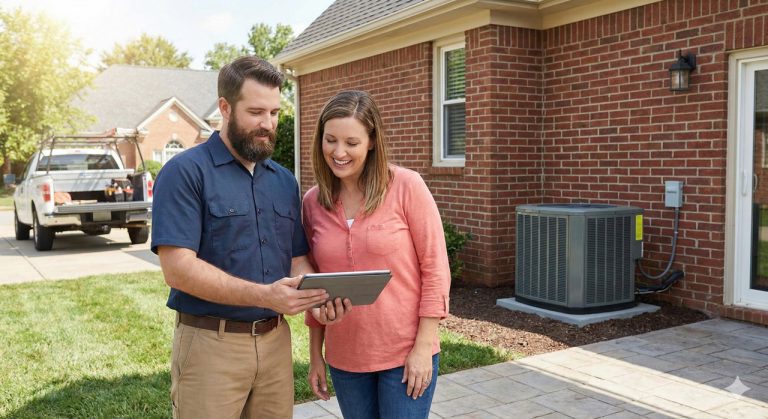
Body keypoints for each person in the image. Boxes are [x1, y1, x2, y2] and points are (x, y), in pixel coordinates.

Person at [151, 56, 346, 419]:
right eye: (256, 112)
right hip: (211, 344)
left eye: (274, 113)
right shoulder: (185, 172)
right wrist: (266, 296)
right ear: (225, 107)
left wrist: (316, 299)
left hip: (275, 344)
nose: (267, 124)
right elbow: (177, 269)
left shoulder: (283, 180)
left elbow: (296, 257)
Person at [303, 90, 451, 418]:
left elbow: (436, 269)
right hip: (345, 358)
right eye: (330, 140)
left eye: (351, 143)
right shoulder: (313, 203)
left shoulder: (407, 187)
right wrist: (316, 355)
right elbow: (313, 284)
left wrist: (423, 347)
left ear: (372, 141)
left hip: (405, 353)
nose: (338, 152)